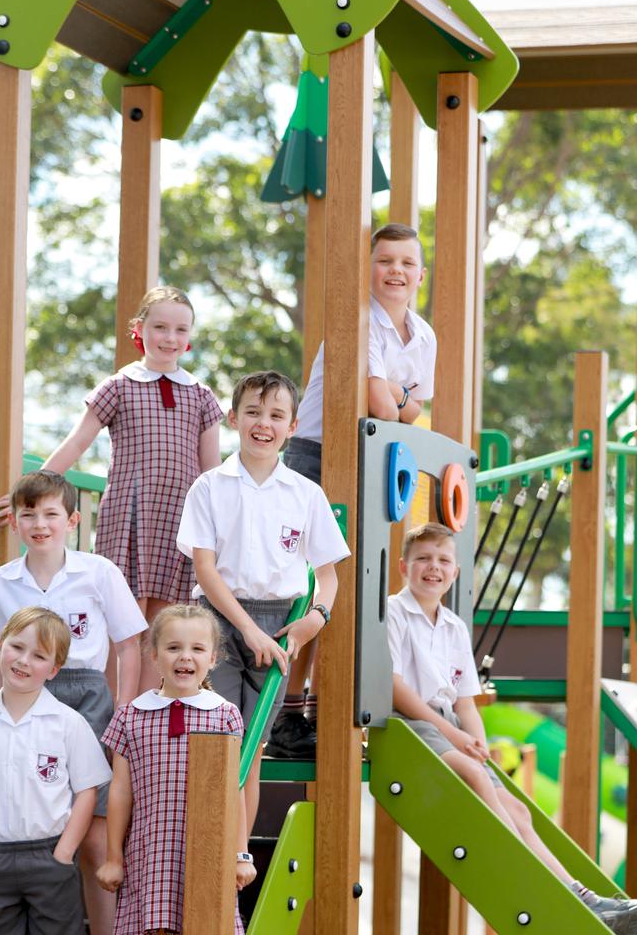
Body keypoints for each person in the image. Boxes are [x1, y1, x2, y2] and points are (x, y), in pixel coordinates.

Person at [389, 522, 637, 935]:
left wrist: (479, 743)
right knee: (475, 780)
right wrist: (457, 739)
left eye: (443, 561)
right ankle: (545, 884)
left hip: (447, 722)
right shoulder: (394, 613)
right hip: (410, 723)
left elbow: (465, 702)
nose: (434, 568)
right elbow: (396, 689)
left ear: (454, 572)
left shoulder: (453, 626)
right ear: (403, 566)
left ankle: (583, 897)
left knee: (518, 808)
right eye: (423, 559)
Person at [0, 285, 223, 692]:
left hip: (181, 519)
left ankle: (150, 709)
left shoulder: (201, 395)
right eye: (160, 327)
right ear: (140, 328)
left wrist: (221, 528)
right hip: (129, 516)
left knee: (165, 623)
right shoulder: (120, 385)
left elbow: (212, 470)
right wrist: (27, 495)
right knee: (124, 618)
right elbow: (78, 442)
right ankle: (116, 713)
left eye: (180, 330)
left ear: (189, 336)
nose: (170, 338)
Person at [269, 222, 437, 759]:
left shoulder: (423, 335)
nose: (396, 271)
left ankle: (317, 708)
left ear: (420, 273)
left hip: (366, 459)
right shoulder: (359, 320)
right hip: (316, 457)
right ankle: (285, 714)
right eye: (385, 260)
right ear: (370, 268)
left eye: (407, 263)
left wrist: (391, 393)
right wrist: (392, 393)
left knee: (349, 589)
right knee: (308, 586)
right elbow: (389, 408)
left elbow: (411, 411)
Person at [176, 370, 350, 832]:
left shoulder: (306, 494)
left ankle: (237, 855)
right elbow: (205, 570)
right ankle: (202, 856)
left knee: (250, 751)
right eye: (253, 412)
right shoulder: (209, 487)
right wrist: (246, 630)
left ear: (292, 427)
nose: (263, 424)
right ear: (234, 417)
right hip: (216, 624)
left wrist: (316, 617)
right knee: (217, 744)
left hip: (279, 630)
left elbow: (328, 575)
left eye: (276, 415)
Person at [0, 470, 147, 935]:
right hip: (26, 700)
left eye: (51, 513)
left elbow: (130, 644)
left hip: (88, 700)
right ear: (15, 522)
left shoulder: (97, 571)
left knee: (93, 837)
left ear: (71, 520)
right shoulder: (1, 582)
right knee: (38, 824)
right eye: (28, 513)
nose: (39, 523)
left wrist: (123, 710)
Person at [0, 607, 112, 935]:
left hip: (50, 855)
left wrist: (64, 852)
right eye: (17, 647)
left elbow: (88, 791)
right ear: (0, 646)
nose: (23, 660)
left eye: (38, 655)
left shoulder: (68, 724)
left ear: (53, 669)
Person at [96, 604, 255, 934]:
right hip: (150, 853)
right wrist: (113, 858)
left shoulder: (224, 714)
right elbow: (120, 790)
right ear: (154, 656)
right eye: (173, 648)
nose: (185, 657)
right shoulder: (131, 716)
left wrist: (242, 854)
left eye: (197, 649)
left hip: (208, 852)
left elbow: (233, 791)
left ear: (213, 658)